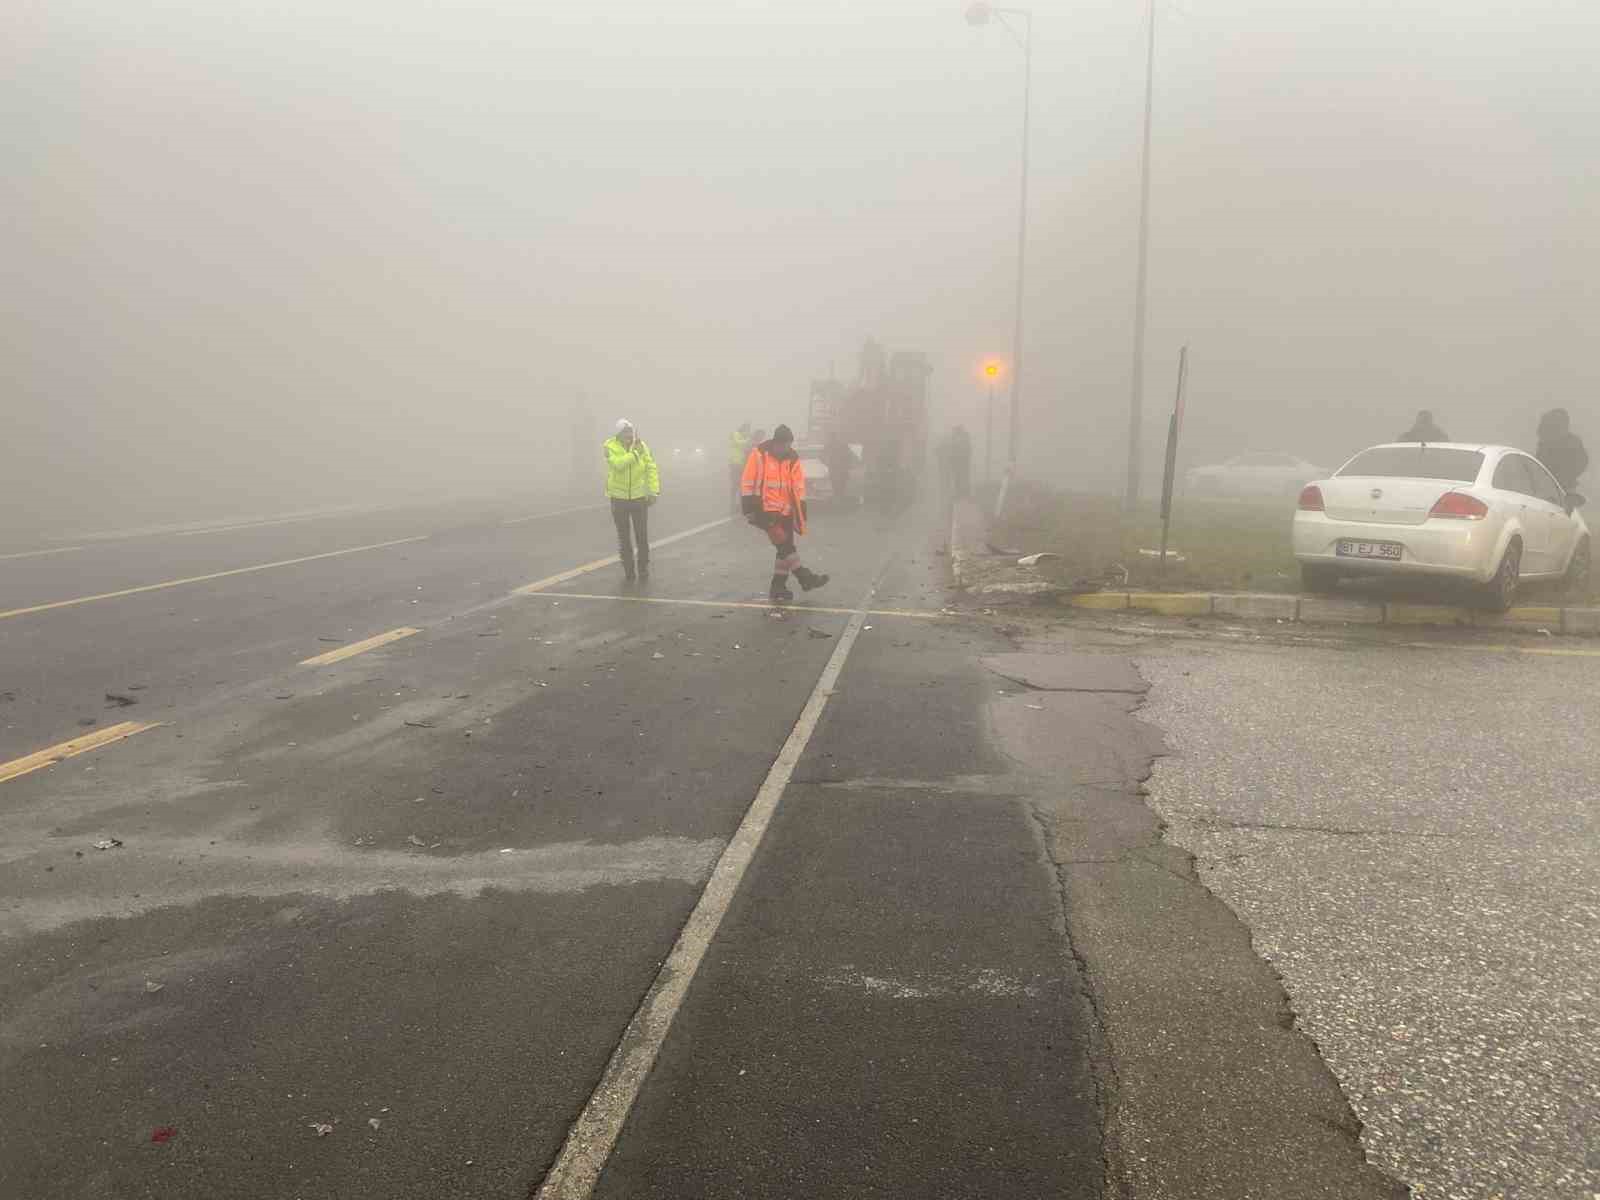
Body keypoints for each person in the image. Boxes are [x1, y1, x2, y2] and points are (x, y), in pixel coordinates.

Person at [740, 424, 829, 603]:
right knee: (785, 546)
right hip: (764, 509)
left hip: (786, 510)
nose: (785, 448)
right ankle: (805, 577)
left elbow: (798, 486)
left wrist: (800, 510)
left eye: (788, 445)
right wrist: (749, 509)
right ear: (775, 442)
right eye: (782, 445)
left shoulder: (793, 458)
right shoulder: (759, 455)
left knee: (784, 550)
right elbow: (747, 482)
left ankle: (778, 586)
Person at [602, 419, 659, 584]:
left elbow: (651, 468)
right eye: (625, 433)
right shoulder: (609, 447)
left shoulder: (642, 446)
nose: (629, 436)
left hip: (639, 498)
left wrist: (654, 491)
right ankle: (629, 570)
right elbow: (618, 465)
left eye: (630, 433)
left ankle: (643, 567)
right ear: (618, 435)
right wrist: (635, 454)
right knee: (624, 537)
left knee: (641, 535)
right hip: (618, 499)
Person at [1536, 408, 1589, 493]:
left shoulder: (1572, 442)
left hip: (1563, 486)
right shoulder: (1546, 443)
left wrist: (1566, 476)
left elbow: (1582, 462)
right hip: (1549, 484)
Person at [821, 432, 855, 501]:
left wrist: (827, 463)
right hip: (842, 468)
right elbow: (850, 455)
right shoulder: (843, 445)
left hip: (834, 468)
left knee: (836, 484)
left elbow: (821, 456)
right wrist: (848, 464)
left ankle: (837, 498)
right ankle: (840, 498)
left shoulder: (830, 445)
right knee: (841, 484)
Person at [726, 423, 752, 513]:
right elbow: (739, 443)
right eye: (747, 430)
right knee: (735, 483)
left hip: (741, 463)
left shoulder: (742, 437)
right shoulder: (736, 434)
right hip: (735, 463)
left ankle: (739, 502)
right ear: (743, 429)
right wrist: (748, 439)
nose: (747, 432)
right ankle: (733, 502)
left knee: (740, 484)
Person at [949, 425, 973, 499]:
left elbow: (955, 450)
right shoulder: (962, 437)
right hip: (961, 463)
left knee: (961, 478)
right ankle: (962, 493)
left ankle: (962, 493)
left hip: (961, 463)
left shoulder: (961, 438)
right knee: (960, 478)